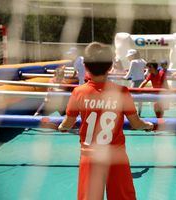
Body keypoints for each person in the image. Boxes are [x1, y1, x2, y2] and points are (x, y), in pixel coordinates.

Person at [58, 42, 154, 200]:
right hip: (115, 155)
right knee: (122, 196)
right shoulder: (121, 92)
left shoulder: (78, 92)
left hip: (90, 155)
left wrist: (61, 127)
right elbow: (136, 124)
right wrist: (148, 125)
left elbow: (67, 124)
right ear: (110, 67)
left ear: (86, 66)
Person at [123, 49, 146, 115]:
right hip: (142, 81)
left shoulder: (133, 62)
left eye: (130, 56)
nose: (128, 57)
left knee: (131, 97)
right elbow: (148, 68)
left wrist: (124, 77)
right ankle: (139, 113)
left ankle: (131, 113)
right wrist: (145, 74)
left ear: (133, 55)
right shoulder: (142, 60)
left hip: (135, 81)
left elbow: (129, 73)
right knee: (140, 98)